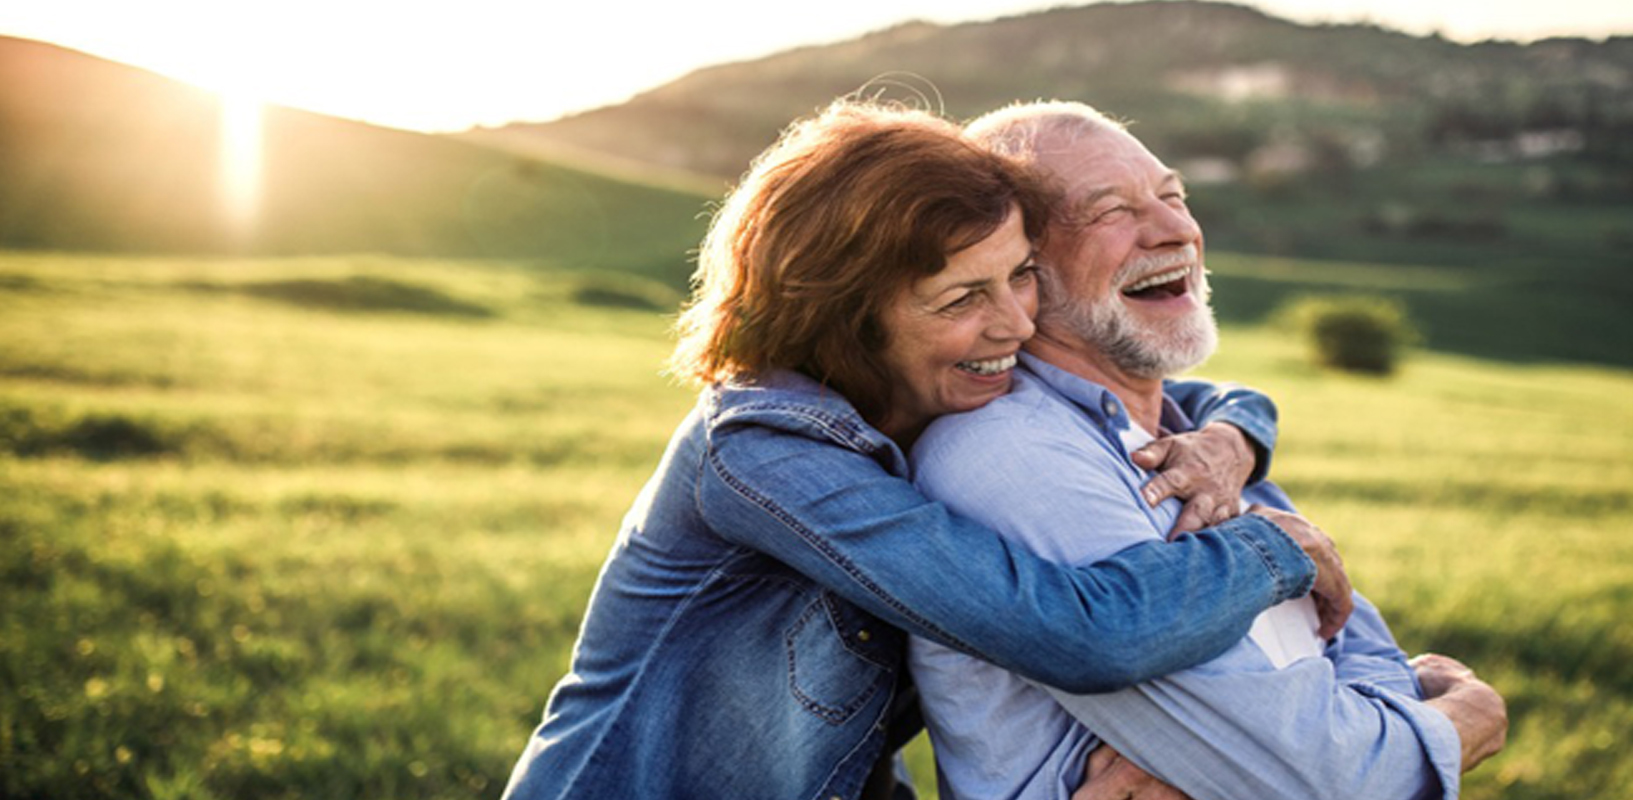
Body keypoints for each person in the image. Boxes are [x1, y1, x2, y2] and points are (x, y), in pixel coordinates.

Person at [498, 99, 1359, 800]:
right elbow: (1077, 635)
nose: (1017, 323)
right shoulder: (763, 454)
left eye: (1020, 273)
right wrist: (1272, 547)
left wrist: (1230, 441)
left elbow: (1196, 397)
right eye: (961, 299)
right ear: (845, 315)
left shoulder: (934, 388)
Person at [907, 101, 1509, 800]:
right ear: (1016, 267)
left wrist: (1368, 717)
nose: (1176, 230)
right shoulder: (1012, 459)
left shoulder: (1201, 446)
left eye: (1173, 195)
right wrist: (1470, 714)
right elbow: (1329, 778)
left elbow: (1347, 641)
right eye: (1110, 212)